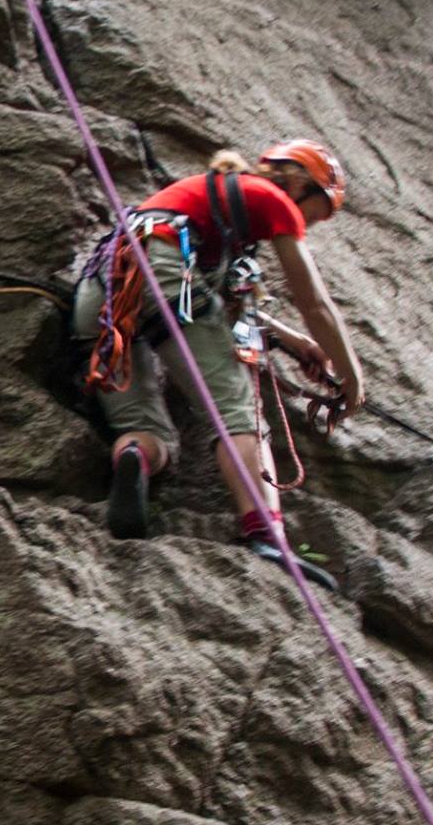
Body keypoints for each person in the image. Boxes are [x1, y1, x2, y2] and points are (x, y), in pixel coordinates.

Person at [72, 139, 364, 587]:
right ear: (301, 185)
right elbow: (316, 303)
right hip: (165, 277)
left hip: (103, 291)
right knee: (238, 412)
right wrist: (351, 376)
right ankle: (267, 534)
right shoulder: (273, 200)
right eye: (314, 214)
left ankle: (136, 454)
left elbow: (225, 301)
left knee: (151, 432)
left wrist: (293, 341)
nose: (306, 224)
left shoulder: (217, 204)